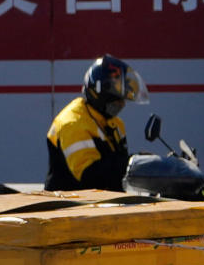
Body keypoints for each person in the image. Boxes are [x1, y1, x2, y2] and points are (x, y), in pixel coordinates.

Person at [43, 56, 143, 192]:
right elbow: (89, 176)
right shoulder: (72, 123)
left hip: (104, 204)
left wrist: (142, 163)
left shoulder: (115, 123)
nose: (122, 104)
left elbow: (117, 170)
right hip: (69, 205)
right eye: (117, 99)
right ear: (100, 93)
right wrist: (132, 164)